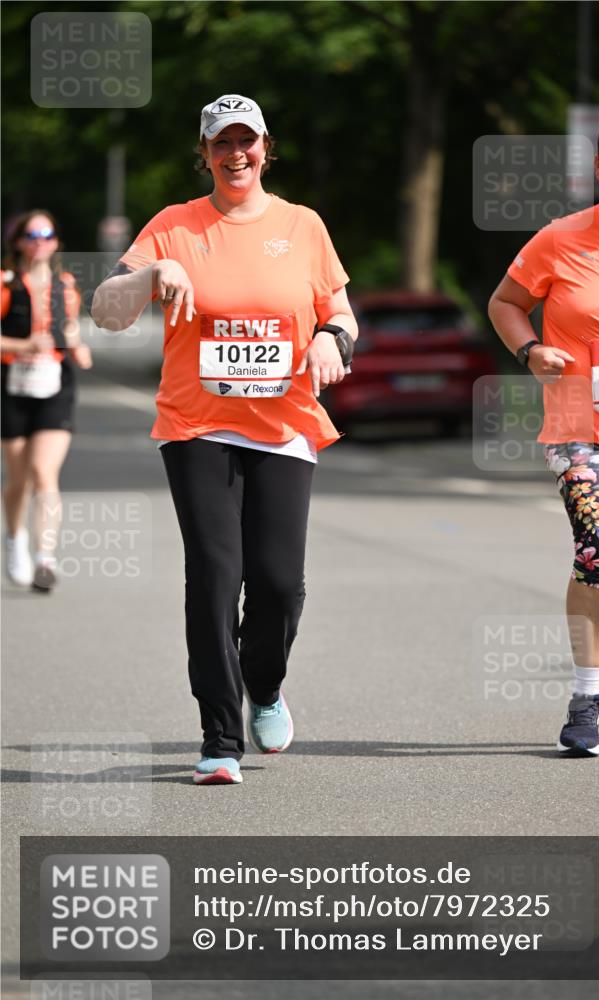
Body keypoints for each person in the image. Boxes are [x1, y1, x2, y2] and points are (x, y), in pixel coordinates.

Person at [91, 94, 358, 785]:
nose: (235, 154)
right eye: (221, 143)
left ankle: (263, 685)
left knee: (277, 587)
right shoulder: (174, 226)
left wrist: (332, 339)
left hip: (283, 425)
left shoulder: (301, 226)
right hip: (196, 424)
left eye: (247, 141)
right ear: (204, 153)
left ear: (266, 148)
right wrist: (152, 273)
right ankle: (218, 737)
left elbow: (341, 312)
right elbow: (105, 311)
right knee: (214, 578)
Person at [488, 108, 599, 757]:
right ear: (597, 168)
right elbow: (504, 303)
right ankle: (585, 699)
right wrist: (529, 349)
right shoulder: (560, 239)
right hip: (580, 426)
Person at [1, 210, 92, 592]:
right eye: (32, 234)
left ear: (56, 242)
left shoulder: (66, 284)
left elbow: (67, 326)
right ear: (18, 241)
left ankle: (45, 560)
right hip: (12, 387)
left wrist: (77, 345)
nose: (40, 240)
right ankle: (15, 540)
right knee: (19, 477)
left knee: (44, 472)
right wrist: (23, 345)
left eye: (47, 234)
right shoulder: (5, 284)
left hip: (56, 383)